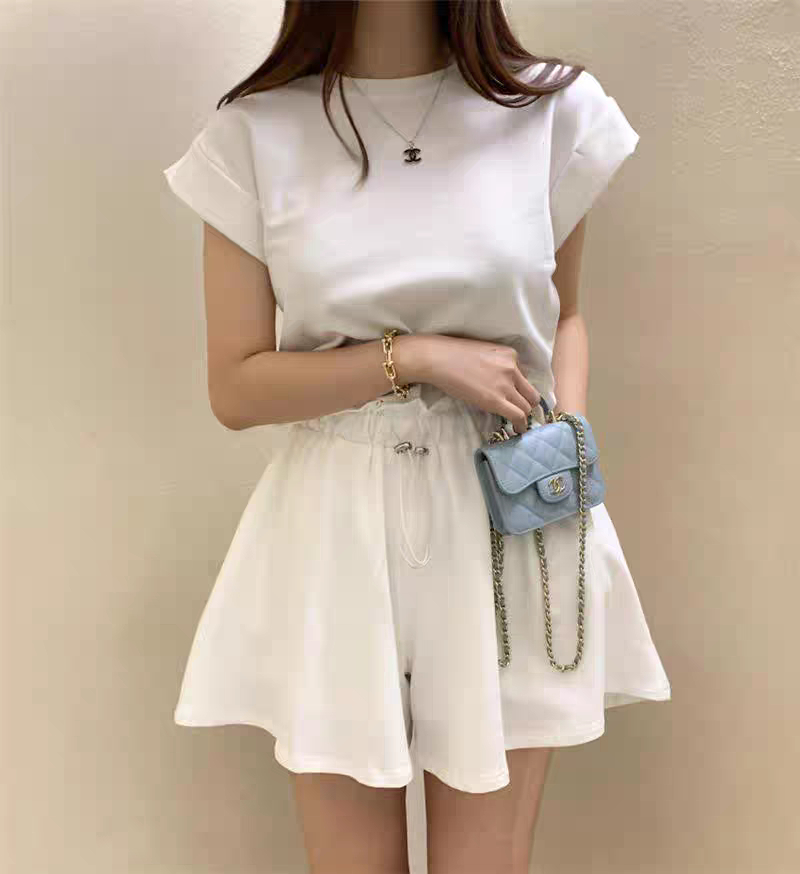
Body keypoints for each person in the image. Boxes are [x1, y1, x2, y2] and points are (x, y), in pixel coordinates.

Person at [162, 2, 671, 871]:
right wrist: (416, 357)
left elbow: (563, 316)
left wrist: (559, 461)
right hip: (335, 529)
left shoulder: (551, 112)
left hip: (511, 513)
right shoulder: (254, 133)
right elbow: (236, 386)